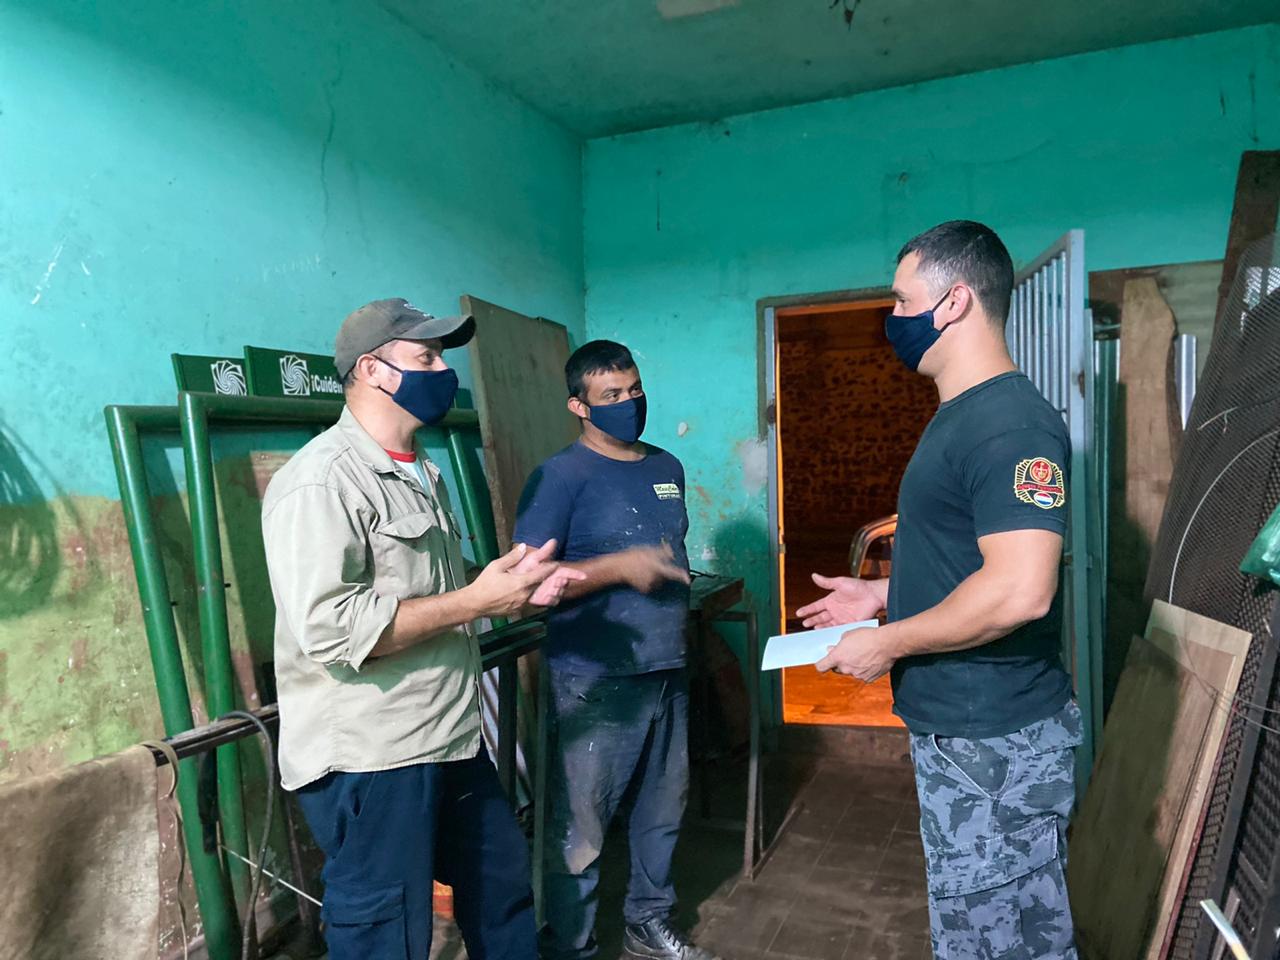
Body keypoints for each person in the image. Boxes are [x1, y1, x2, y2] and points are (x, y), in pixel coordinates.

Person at [261, 298, 583, 960]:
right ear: (374, 371)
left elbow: (435, 591)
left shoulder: (421, 470)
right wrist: (475, 598)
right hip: (373, 757)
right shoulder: (320, 483)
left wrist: (508, 593)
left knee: (501, 891)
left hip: (450, 733)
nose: (444, 371)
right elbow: (333, 630)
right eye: (427, 358)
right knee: (386, 934)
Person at [799, 222, 1082, 960]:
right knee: (999, 934)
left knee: (997, 942)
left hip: (995, 741)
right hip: (968, 734)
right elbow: (969, 562)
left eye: (900, 300)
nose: (891, 319)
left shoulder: (1008, 425)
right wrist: (881, 598)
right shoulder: (963, 417)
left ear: (954, 301)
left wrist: (885, 644)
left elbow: (1020, 591)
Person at [513, 340, 718, 960]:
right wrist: (617, 568)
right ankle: (570, 945)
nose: (629, 404)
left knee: (663, 812)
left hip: (666, 668)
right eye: (610, 397)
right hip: (593, 680)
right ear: (579, 405)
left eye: (633, 390)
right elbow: (524, 590)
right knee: (582, 831)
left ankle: (647, 924)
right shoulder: (557, 478)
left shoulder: (667, 467)